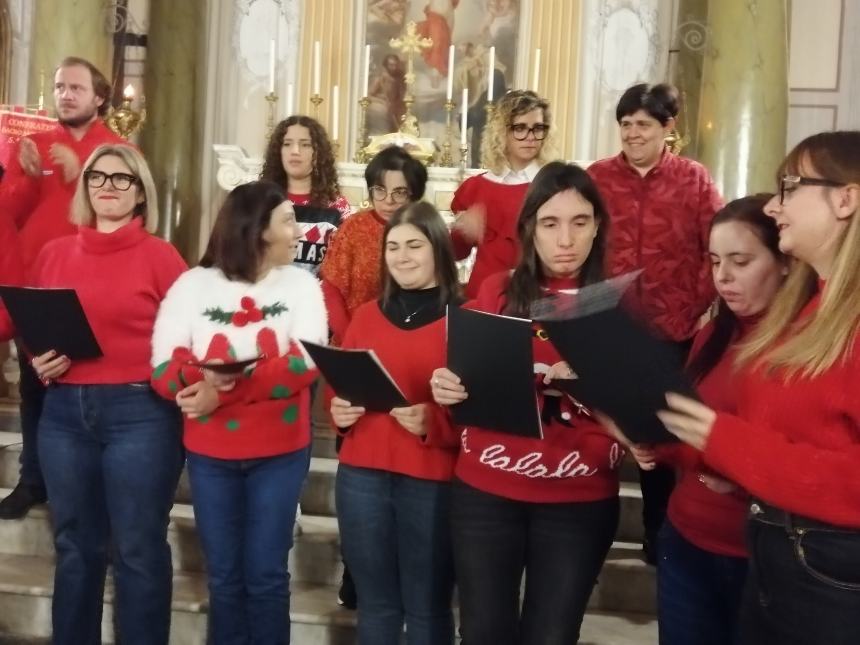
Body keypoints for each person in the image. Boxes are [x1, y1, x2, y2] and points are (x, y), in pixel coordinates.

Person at [657, 130, 860, 645]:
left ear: (846, 198)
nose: (775, 205)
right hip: (780, 555)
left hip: (829, 573)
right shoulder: (811, 310)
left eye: (790, 187)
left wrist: (724, 441)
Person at [0, 143, 187, 644]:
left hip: (141, 414)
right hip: (63, 413)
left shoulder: (162, 257)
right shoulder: (54, 253)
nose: (107, 185)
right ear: (84, 187)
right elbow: (34, 328)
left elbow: (185, 340)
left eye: (121, 178)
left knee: (138, 548)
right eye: (97, 176)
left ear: (140, 191)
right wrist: (41, 361)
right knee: (75, 546)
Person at [431, 162, 622, 644]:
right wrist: (446, 386)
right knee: (482, 632)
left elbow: (644, 417)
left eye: (579, 222)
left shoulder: (619, 304)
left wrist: (595, 387)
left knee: (552, 635)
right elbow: (460, 374)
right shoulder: (497, 291)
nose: (565, 239)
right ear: (530, 227)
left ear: (597, 226)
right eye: (551, 223)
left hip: (577, 501)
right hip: (486, 493)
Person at [151, 180, 327, 644]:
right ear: (257, 229)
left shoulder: (303, 285)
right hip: (212, 457)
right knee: (225, 578)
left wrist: (218, 394)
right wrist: (195, 384)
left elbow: (305, 363)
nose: (299, 231)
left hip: (280, 454)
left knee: (267, 576)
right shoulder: (193, 285)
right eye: (288, 220)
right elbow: (163, 368)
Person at [624, 195, 787, 645]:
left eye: (741, 261)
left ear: (786, 262)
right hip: (688, 537)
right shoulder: (713, 334)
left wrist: (744, 472)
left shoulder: (803, 345)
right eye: (715, 261)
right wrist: (652, 440)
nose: (723, 277)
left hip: (759, 552)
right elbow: (688, 432)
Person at [587, 83, 723, 562]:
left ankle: (657, 531)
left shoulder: (695, 180)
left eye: (643, 124)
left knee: (658, 433)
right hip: (609, 325)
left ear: (668, 128)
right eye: (625, 125)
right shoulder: (597, 178)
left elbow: (717, 244)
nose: (632, 133)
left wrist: (697, 299)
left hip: (672, 329)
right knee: (599, 424)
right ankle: (587, 532)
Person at [331, 201, 462, 644]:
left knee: (427, 608)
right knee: (375, 605)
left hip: (431, 479)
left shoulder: (466, 318)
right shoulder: (367, 314)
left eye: (414, 245)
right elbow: (341, 383)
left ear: (438, 249)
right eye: (392, 247)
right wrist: (340, 412)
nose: (402, 257)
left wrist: (434, 421)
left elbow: (483, 411)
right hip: (361, 473)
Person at [0, 56, 124, 520]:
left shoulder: (115, 149)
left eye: (75, 87)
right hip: (37, 283)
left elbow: (132, 215)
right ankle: (32, 480)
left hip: (93, 287)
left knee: (85, 387)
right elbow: (8, 214)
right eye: (59, 87)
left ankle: (87, 483)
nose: (65, 95)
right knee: (35, 386)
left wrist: (81, 175)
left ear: (98, 97)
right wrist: (27, 178)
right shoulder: (33, 144)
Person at [320, 145, 428, 345]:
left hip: (408, 343)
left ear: (414, 194)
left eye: (399, 192)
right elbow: (331, 288)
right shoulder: (354, 227)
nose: (388, 201)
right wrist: (350, 337)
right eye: (380, 190)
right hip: (352, 341)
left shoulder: (424, 232)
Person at [451, 89, 554, 298]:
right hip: (483, 296)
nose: (530, 137)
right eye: (520, 128)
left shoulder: (554, 185)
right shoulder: (476, 187)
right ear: (502, 132)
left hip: (536, 294)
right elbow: (456, 253)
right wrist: (461, 232)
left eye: (537, 128)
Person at [260, 115, 352, 276]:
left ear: (318, 153)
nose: (295, 151)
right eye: (287, 144)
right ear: (279, 151)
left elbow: (343, 266)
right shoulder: (262, 201)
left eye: (305, 144)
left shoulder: (337, 206)